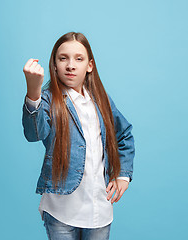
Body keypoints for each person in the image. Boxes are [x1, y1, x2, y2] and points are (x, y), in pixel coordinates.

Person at [22, 31, 135, 240]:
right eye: (63, 58)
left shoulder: (101, 99)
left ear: (89, 65)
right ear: (54, 65)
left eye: (79, 59)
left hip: (99, 210)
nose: (71, 65)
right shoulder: (48, 99)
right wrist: (33, 92)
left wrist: (123, 175)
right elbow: (34, 133)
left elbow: (124, 134)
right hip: (61, 211)